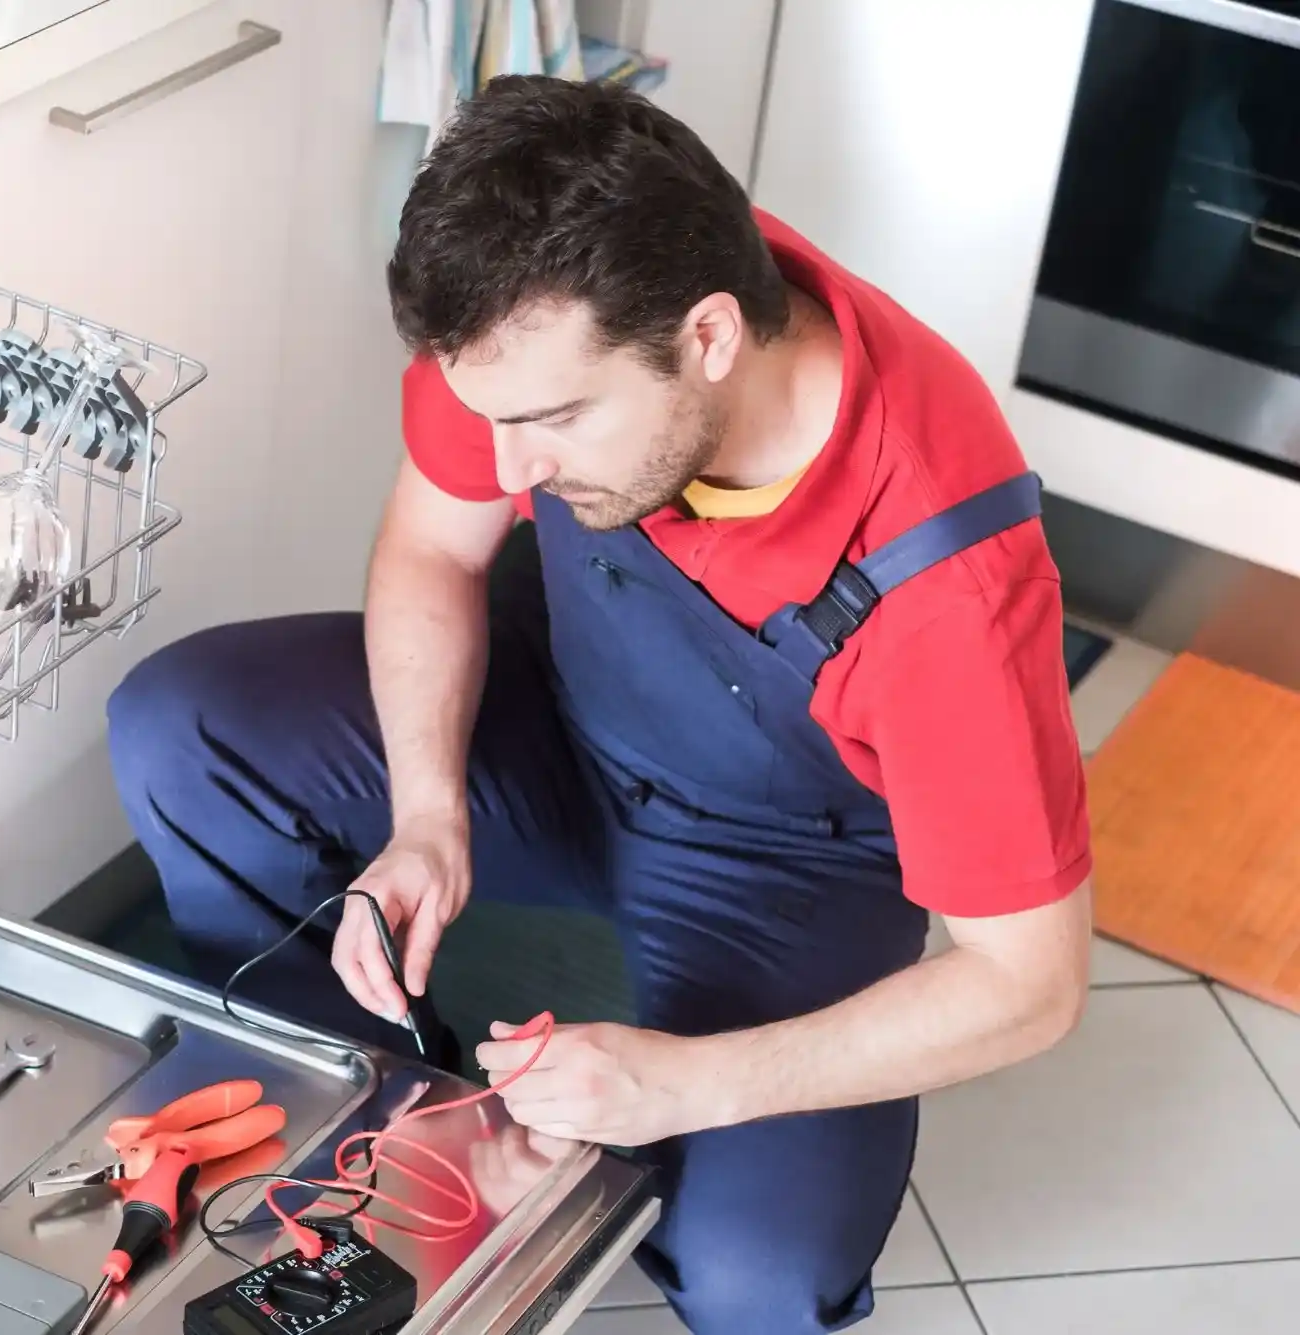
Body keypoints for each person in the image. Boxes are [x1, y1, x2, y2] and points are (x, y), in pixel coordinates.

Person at [106, 75, 1092, 1335]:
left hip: (778, 858)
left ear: (711, 340)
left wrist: (685, 1084)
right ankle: (361, 1114)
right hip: (557, 724)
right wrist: (425, 817)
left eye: (555, 424)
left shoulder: (945, 580)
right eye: (494, 420)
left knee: (760, 1277)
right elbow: (434, 552)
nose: (509, 468)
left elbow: (1028, 983)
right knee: (187, 727)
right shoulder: (538, 321)